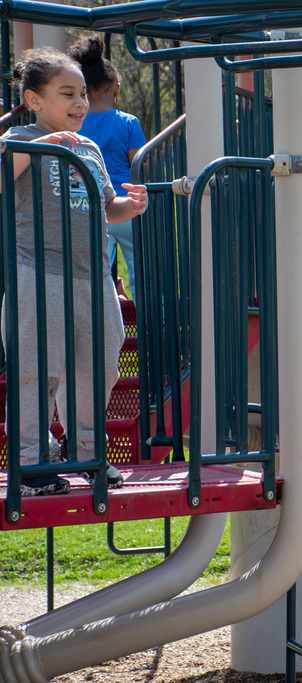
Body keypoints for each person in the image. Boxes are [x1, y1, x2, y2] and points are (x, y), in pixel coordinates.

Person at [1, 48, 148, 495]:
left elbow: (107, 207)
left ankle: (86, 451)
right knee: (36, 368)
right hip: (37, 273)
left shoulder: (89, 146)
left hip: (92, 275)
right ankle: (33, 460)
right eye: (68, 94)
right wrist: (42, 144)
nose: (81, 102)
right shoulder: (20, 139)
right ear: (34, 99)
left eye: (83, 93)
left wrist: (131, 205)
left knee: (99, 363)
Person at [68, 34, 147, 298]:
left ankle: (102, 325)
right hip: (126, 206)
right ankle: (148, 325)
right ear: (117, 89)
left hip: (90, 209)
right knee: (142, 273)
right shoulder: (128, 122)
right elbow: (139, 165)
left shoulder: (75, 124)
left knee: (97, 276)